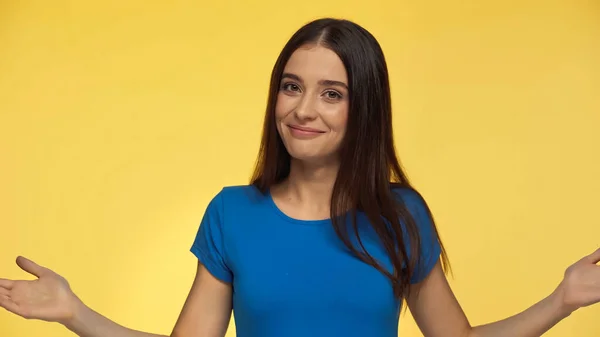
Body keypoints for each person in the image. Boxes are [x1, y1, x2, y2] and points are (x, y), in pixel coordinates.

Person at [1, 17, 599, 337]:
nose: (303, 109)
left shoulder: (401, 216)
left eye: (331, 93)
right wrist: (73, 312)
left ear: (363, 108)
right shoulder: (232, 214)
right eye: (292, 86)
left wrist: (561, 301)